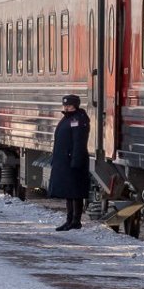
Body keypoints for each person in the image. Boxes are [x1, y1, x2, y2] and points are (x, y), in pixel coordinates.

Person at [48, 94, 91, 231]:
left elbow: (79, 142)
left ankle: (75, 221)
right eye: (65, 105)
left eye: (69, 105)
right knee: (69, 192)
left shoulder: (79, 120)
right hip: (65, 161)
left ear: (75, 105)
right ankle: (69, 219)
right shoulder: (68, 118)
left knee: (75, 192)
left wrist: (76, 161)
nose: (66, 107)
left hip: (73, 161)